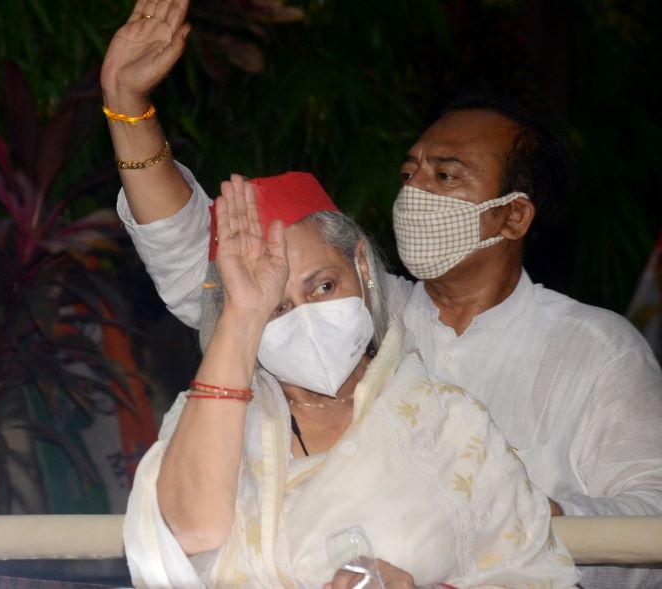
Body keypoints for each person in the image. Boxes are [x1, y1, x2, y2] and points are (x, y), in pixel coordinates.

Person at [101, 2, 662, 587]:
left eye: (445, 176)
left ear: (513, 217)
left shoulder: (596, 348)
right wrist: (128, 110)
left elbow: (652, 520)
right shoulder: (356, 309)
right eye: (410, 172)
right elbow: (205, 261)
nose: (415, 189)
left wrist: (513, 511)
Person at [123, 170, 578, 588]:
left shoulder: (450, 427)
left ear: (361, 266)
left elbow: (537, 574)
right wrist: (244, 312)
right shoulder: (209, 419)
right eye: (277, 308)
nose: (306, 319)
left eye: (323, 286)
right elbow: (189, 531)